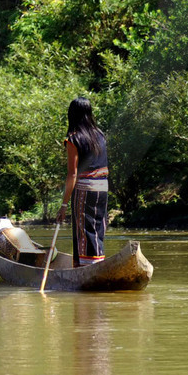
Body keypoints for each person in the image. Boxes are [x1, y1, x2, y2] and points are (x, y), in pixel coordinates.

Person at [63, 96, 109, 266]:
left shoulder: (73, 138)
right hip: (103, 187)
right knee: (98, 227)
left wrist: (63, 205)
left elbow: (72, 174)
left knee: (83, 229)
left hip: (85, 188)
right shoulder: (100, 135)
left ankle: (87, 267)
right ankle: (97, 263)